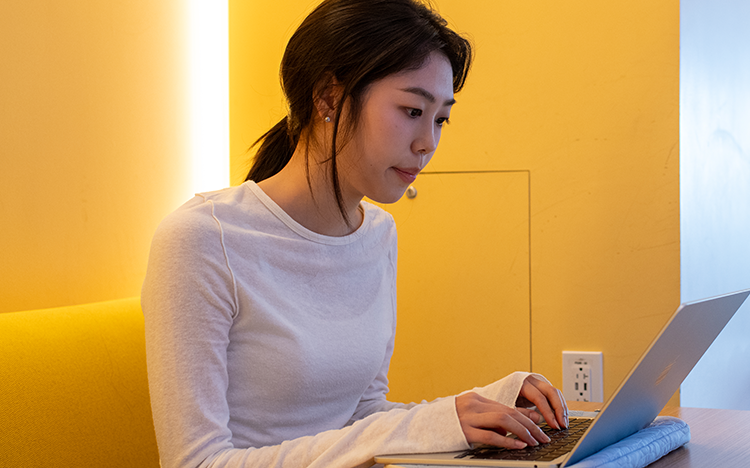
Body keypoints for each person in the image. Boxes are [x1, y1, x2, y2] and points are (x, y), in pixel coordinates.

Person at [142, 2, 568, 467]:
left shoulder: (379, 233)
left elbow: (363, 415)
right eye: (411, 110)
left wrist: (489, 404)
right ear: (327, 98)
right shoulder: (204, 240)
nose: (428, 142)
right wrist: (436, 423)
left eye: (441, 118)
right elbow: (196, 462)